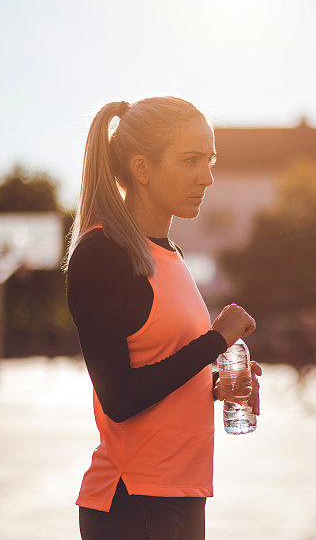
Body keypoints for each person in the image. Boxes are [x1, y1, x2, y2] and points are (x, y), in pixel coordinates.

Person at [62, 96, 262, 540]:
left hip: (182, 493)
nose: (206, 178)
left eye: (210, 160)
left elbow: (161, 371)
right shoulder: (102, 255)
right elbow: (120, 398)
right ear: (142, 168)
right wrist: (216, 341)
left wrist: (217, 386)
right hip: (134, 503)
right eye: (190, 160)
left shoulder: (169, 254)